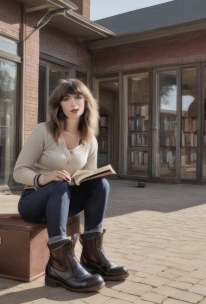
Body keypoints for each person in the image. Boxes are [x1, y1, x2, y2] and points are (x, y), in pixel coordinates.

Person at [13, 78, 128, 293]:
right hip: (34, 201)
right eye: (66, 98)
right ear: (59, 105)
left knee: (100, 184)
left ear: (86, 103)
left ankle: (92, 256)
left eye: (78, 97)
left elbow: (87, 176)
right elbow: (19, 171)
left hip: (64, 200)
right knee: (58, 185)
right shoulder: (43, 131)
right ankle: (59, 265)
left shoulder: (90, 140)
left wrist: (87, 178)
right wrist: (44, 178)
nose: (73, 103)